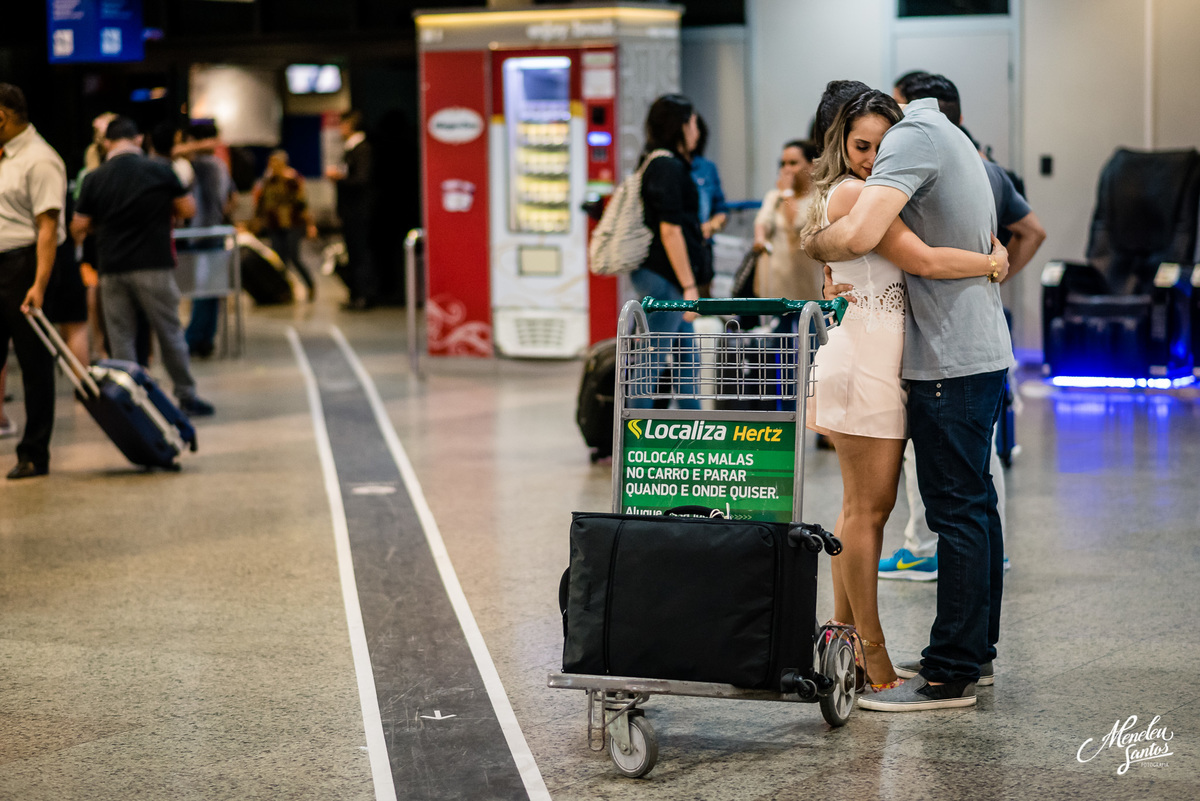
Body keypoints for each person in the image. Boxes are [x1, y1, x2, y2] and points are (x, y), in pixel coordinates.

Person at [805, 77, 1013, 712]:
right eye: (861, 146)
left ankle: (855, 642)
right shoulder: (855, 194)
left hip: (891, 362)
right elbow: (915, 258)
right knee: (869, 511)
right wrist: (990, 261)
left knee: (871, 510)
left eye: (881, 145)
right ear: (839, 144)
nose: (874, 159)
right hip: (866, 363)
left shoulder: (880, 190)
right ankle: (870, 652)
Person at [879, 73, 1046, 582]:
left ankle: (926, 558)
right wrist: (994, 273)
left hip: (947, 348)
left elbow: (924, 260)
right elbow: (1032, 231)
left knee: (955, 496)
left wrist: (992, 269)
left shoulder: (914, 162)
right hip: (976, 341)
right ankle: (978, 611)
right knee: (977, 485)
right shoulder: (981, 164)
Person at [72, 116, 214, 418]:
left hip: (112, 267)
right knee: (169, 332)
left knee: (121, 337)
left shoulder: (94, 178)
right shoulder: (160, 170)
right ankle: (186, 395)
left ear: (107, 143)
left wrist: (102, 225)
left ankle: (131, 401)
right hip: (154, 263)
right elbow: (188, 208)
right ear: (137, 140)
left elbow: (78, 226)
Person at [628, 94, 712, 411]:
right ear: (680, 126)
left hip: (664, 275)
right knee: (651, 360)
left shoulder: (661, 163)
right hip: (664, 277)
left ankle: (694, 423)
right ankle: (636, 430)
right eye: (693, 123)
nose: (697, 131)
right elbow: (670, 230)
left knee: (687, 355)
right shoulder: (666, 166)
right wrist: (689, 286)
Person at [0, 83, 66, 479]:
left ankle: (34, 452)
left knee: (34, 364)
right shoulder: (5, 157)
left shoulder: (40, 160)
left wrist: (39, 284)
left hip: (23, 265)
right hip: (2, 262)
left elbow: (48, 227)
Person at [181, 121, 233, 358]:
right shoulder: (220, 164)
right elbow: (232, 199)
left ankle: (193, 339)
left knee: (202, 290)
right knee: (212, 291)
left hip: (200, 233)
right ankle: (206, 339)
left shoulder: (201, 164)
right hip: (216, 230)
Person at [753, 140, 823, 302]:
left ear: (812, 165)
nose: (786, 169)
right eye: (783, 164)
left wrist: (787, 193)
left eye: (793, 163)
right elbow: (762, 222)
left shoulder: (819, 199)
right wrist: (760, 239)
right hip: (775, 285)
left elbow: (797, 224)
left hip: (806, 285)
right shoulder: (774, 196)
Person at [326, 110, 376, 310]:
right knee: (353, 253)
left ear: (350, 125)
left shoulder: (362, 149)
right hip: (350, 212)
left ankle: (364, 295)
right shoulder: (350, 150)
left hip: (358, 212)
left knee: (361, 253)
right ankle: (356, 293)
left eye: (342, 124)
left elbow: (361, 179)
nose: (340, 129)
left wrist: (339, 178)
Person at [253, 150, 318, 300]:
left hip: (292, 224)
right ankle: (284, 290)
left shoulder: (293, 180)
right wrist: (257, 221)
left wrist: (310, 225)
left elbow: (303, 204)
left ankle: (310, 285)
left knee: (294, 257)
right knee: (279, 260)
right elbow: (262, 204)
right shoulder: (268, 181)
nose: (273, 166)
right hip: (274, 224)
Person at [690, 115, 728, 252]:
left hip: (703, 244)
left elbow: (721, 209)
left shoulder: (707, 168)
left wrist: (711, 225)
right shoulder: (668, 167)